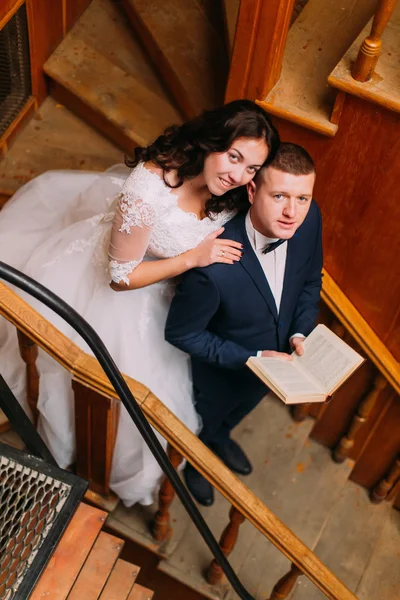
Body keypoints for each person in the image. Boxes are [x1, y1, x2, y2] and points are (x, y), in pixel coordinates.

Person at [0, 100, 279, 507]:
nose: (238, 175)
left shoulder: (234, 191)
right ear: (212, 141)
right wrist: (190, 259)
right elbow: (119, 277)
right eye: (233, 156)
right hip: (112, 289)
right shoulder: (149, 187)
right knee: (106, 385)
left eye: (251, 168)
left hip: (165, 295)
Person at [165, 142, 323, 506]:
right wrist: (252, 356)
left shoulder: (310, 218)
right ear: (252, 190)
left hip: (275, 367)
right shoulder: (213, 264)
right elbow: (181, 332)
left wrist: (299, 332)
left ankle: (221, 439)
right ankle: (197, 463)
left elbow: (310, 280)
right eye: (280, 195)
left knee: (236, 414)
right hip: (220, 374)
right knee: (206, 422)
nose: (292, 212)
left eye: (302, 198)